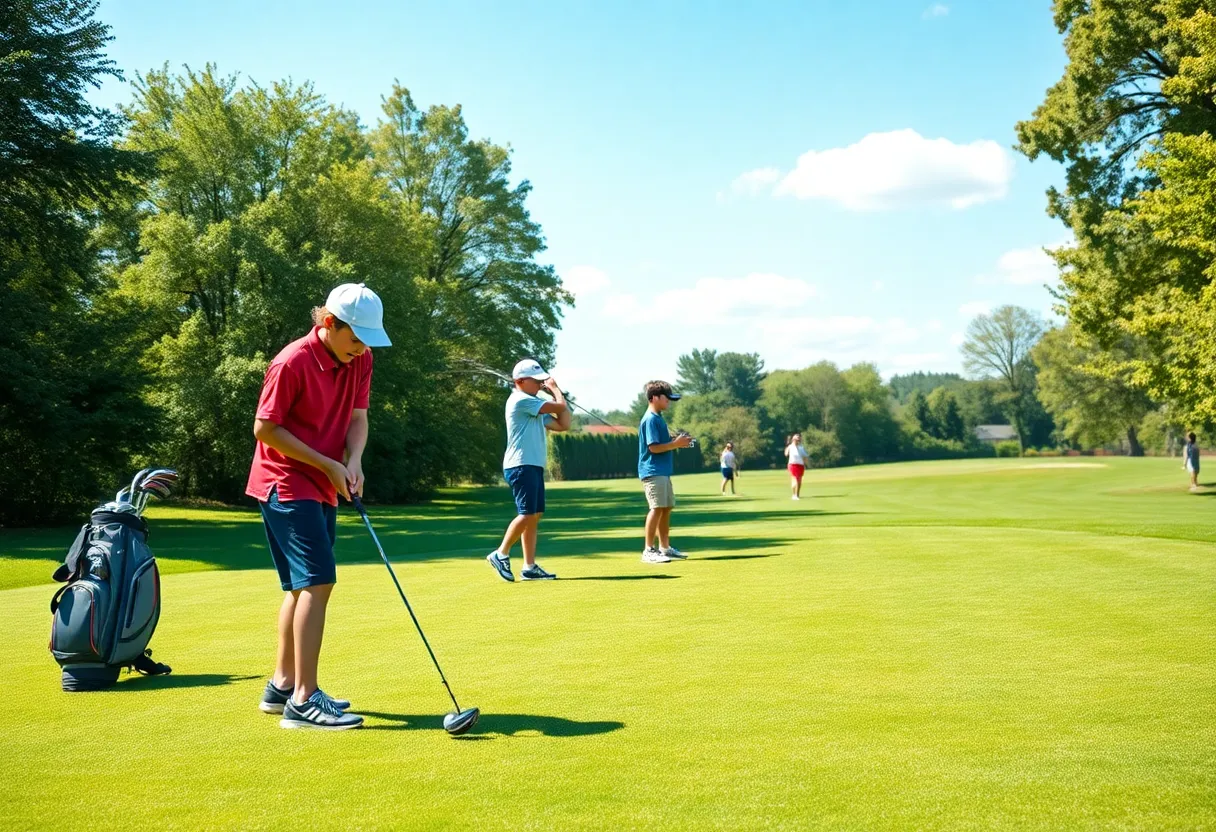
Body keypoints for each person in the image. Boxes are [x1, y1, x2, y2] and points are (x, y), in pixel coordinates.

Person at [246, 283, 392, 730]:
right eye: (355, 337)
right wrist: (328, 464)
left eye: (368, 339)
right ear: (328, 323)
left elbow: (358, 418)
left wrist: (353, 461)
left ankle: (283, 686)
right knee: (318, 582)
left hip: (322, 480)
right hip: (284, 482)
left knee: (301, 587)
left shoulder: (360, 359)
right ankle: (304, 702)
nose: (362, 347)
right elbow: (265, 429)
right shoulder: (291, 362)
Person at [486, 358, 572, 582]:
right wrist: (555, 390)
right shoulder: (521, 400)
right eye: (536, 381)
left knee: (534, 516)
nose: (540, 385)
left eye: (541, 381)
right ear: (520, 381)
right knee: (526, 514)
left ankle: (529, 566)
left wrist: (556, 394)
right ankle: (500, 553)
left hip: (532, 465)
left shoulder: (533, 405)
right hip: (520, 464)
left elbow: (563, 424)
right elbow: (560, 407)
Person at [638, 380, 693, 563]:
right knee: (656, 508)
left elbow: (662, 443)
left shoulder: (658, 418)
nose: (669, 401)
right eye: (666, 398)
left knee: (665, 508)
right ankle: (648, 550)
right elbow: (653, 448)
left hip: (662, 471)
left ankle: (664, 547)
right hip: (653, 471)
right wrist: (675, 444)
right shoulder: (651, 419)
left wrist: (678, 442)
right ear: (654, 398)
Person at [785, 433, 810, 500]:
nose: (798, 440)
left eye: (799, 439)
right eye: (796, 439)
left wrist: (806, 464)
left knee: (799, 481)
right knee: (795, 479)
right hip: (792, 465)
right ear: (793, 439)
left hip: (800, 465)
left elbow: (805, 457)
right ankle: (794, 495)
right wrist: (787, 446)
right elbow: (786, 454)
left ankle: (797, 495)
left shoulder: (801, 448)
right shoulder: (790, 447)